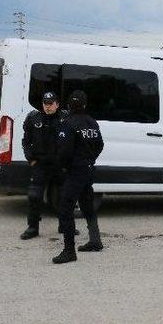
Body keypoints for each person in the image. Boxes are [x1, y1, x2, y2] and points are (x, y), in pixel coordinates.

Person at [53, 90, 104, 264]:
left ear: (69, 105)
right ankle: (95, 240)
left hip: (75, 171)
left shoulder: (68, 123)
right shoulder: (92, 122)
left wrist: (64, 167)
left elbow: (64, 152)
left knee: (65, 208)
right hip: (88, 169)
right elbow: (100, 145)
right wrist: (90, 159)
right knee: (87, 205)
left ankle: (69, 251)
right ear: (85, 104)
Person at [19, 92, 68, 240]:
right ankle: (33, 227)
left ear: (57, 104)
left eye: (51, 103)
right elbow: (26, 141)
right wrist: (31, 160)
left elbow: (72, 141)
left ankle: (64, 225)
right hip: (40, 164)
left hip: (59, 165)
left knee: (63, 197)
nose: (48, 106)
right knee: (34, 196)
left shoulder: (65, 118)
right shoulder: (33, 118)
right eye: (45, 103)